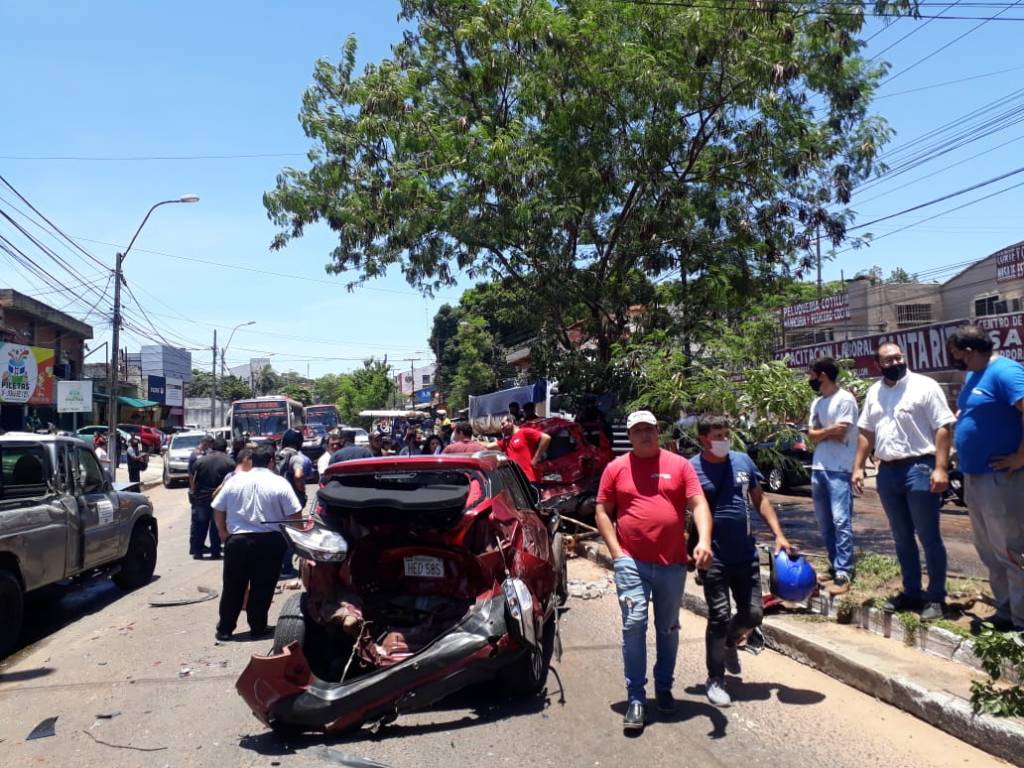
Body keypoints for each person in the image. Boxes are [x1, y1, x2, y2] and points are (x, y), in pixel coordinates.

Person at [595, 410, 713, 733]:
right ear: (630, 436)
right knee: (634, 625)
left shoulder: (679, 465)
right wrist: (616, 553)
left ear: (657, 432)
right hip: (631, 561)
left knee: (668, 629)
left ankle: (663, 686)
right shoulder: (615, 469)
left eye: (650, 429)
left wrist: (703, 539)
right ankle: (636, 697)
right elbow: (602, 511)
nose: (645, 435)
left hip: (672, 564)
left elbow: (698, 504)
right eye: (638, 430)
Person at [690, 415, 792, 707]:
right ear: (703, 439)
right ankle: (715, 678)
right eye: (717, 435)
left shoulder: (743, 462)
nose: (723, 440)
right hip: (714, 556)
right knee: (719, 616)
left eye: (726, 434)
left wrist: (779, 535)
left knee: (753, 615)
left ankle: (731, 642)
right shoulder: (692, 468)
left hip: (745, 554)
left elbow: (760, 500)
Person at [853, 341, 955, 621]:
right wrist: (858, 467)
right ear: (878, 365)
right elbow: (866, 433)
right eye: (889, 360)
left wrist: (941, 468)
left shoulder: (926, 386)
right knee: (901, 537)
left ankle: (935, 597)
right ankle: (912, 592)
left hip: (919, 467)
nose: (896, 362)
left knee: (929, 536)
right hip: (888, 472)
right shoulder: (874, 392)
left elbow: (943, 428)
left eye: (899, 357)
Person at [947, 325, 1024, 632]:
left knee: (1012, 550)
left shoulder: (1007, 372)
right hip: (974, 476)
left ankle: (1021, 623)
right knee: (989, 550)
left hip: (1001, 477)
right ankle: (1006, 611)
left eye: (957, 355)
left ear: (971, 351)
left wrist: (1021, 456)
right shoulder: (972, 375)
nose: (955, 360)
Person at [212, 447, 301, 641]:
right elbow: (295, 514)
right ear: (271, 461)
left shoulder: (235, 480)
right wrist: (295, 538)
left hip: (237, 541)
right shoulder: (279, 482)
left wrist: (223, 532)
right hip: (270, 540)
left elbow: (217, 507)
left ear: (251, 461)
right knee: (263, 586)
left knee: (233, 585)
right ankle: (258, 627)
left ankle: (225, 629)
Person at [807, 356, 860, 595]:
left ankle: (844, 571)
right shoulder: (817, 403)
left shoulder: (845, 399)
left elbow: (842, 433)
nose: (810, 379)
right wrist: (827, 431)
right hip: (819, 467)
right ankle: (833, 563)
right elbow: (811, 435)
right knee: (824, 521)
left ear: (823, 376)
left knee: (841, 520)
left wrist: (822, 433)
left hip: (840, 468)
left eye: (811, 375)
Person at [190, 438, 236, 560]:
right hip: (219, 499)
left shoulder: (201, 461)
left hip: (201, 498)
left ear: (212, 447)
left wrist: (193, 493)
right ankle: (215, 552)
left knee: (200, 525)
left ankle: (197, 552)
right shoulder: (230, 462)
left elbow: (193, 479)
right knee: (216, 526)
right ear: (225, 448)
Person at [276, 429, 312, 577]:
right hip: (289, 500)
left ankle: (277, 567)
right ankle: (286, 568)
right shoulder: (296, 457)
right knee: (292, 533)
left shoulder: (277, 454)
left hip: (274, 498)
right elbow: (298, 475)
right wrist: (301, 488)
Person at [488, 416, 551, 485]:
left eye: (503, 424)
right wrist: (476, 441)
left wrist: (536, 459)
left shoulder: (524, 432)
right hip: (517, 482)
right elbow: (488, 446)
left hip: (530, 479)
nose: (501, 427)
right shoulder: (506, 442)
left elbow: (546, 438)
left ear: (511, 422)